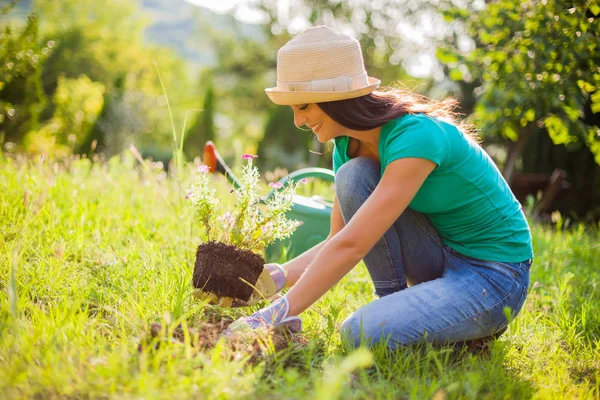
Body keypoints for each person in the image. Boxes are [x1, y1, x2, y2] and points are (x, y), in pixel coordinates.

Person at [223, 25, 534, 349]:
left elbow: (353, 245)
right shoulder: (347, 146)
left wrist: (271, 316)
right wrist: (276, 276)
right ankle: (399, 307)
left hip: (494, 275)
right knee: (354, 175)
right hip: (440, 252)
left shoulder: (416, 136)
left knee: (359, 334)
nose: (298, 121)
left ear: (337, 100)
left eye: (304, 106)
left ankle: (461, 326)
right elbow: (337, 239)